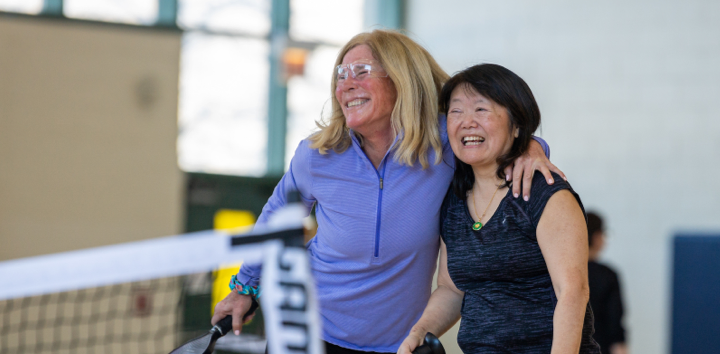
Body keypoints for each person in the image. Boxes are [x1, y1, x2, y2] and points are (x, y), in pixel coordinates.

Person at [212, 30, 563, 353]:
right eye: (341, 75)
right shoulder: (316, 155)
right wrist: (244, 288)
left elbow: (494, 138)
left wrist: (531, 147)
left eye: (361, 71)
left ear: (401, 79)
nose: (346, 84)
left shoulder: (443, 144)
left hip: (399, 344)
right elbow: (277, 218)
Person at [399, 64, 600, 354]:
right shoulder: (453, 201)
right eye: (456, 111)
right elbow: (452, 289)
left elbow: (573, 292)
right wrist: (419, 331)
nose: (467, 122)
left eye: (481, 109)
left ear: (517, 125)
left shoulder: (544, 192)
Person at [587, 212, 628, 354]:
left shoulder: (559, 273)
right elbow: (615, 322)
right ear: (597, 237)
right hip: (600, 347)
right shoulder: (607, 275)